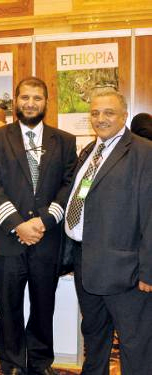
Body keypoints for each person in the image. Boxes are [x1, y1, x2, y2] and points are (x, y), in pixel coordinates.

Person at [0, 77, 77, 375]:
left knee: (43, 305)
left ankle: (39, 362)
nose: (31, 103)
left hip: (46, 239)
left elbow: (68, 186)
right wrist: (17, 225)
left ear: (46, 102)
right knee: (9, 306)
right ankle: (11, 362)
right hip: (8, 239)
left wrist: (44, 222)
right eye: (25, 97)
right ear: (16, 101)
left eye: (37, 97)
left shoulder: (64, 140)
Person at [64, 89, 152, 375]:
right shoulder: (90, 151)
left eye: (108, 113)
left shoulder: (144, 152)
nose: (100, 119)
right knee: (94, 337)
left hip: (125, 271)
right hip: (86, 263)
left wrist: (148, 272)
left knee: (135, 344)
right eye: (95, 113)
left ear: (124, 115)